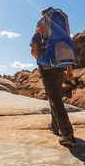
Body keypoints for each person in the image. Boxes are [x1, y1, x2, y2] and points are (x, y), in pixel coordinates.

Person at [30, 9, 76, 146]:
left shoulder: (38, 33)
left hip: (47, 67)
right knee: (56, 97)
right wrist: (69, 69)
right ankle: (54, 126)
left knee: (54, 99)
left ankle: (67, 134)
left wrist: (43, 60)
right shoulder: (62, 32)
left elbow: (33, 52)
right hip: (61, 65)